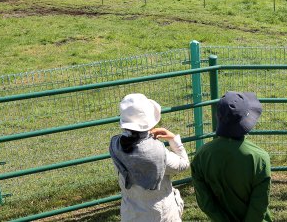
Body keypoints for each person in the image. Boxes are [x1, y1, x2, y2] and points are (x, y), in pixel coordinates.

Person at [191, 91, 272, 222]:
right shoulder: (260, 158)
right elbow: (259, 204)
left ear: (219, 116)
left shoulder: (201, 156)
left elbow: (205, 202)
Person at [109, 93, 189, 221]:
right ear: (150, 121)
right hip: (160, 216)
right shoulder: (157, 153)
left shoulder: (116, 145)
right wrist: (173, 139)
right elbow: (183, 164)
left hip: (130, 214)